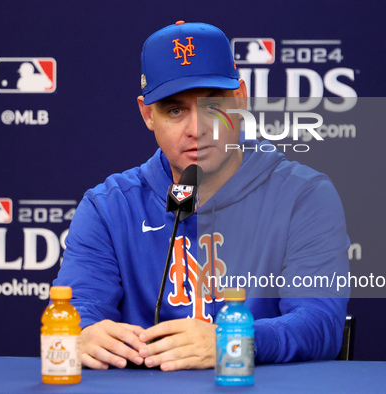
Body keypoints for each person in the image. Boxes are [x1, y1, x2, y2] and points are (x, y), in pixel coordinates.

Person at [54, 21, 350, 371]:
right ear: (148, 114)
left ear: (240, 98)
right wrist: (83, 332)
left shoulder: (303, 196)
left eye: (213, 106)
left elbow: (319, 323)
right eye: (175, 111)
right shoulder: (109, 206)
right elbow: (79, 307)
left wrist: (234, 342)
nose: (197, 129)